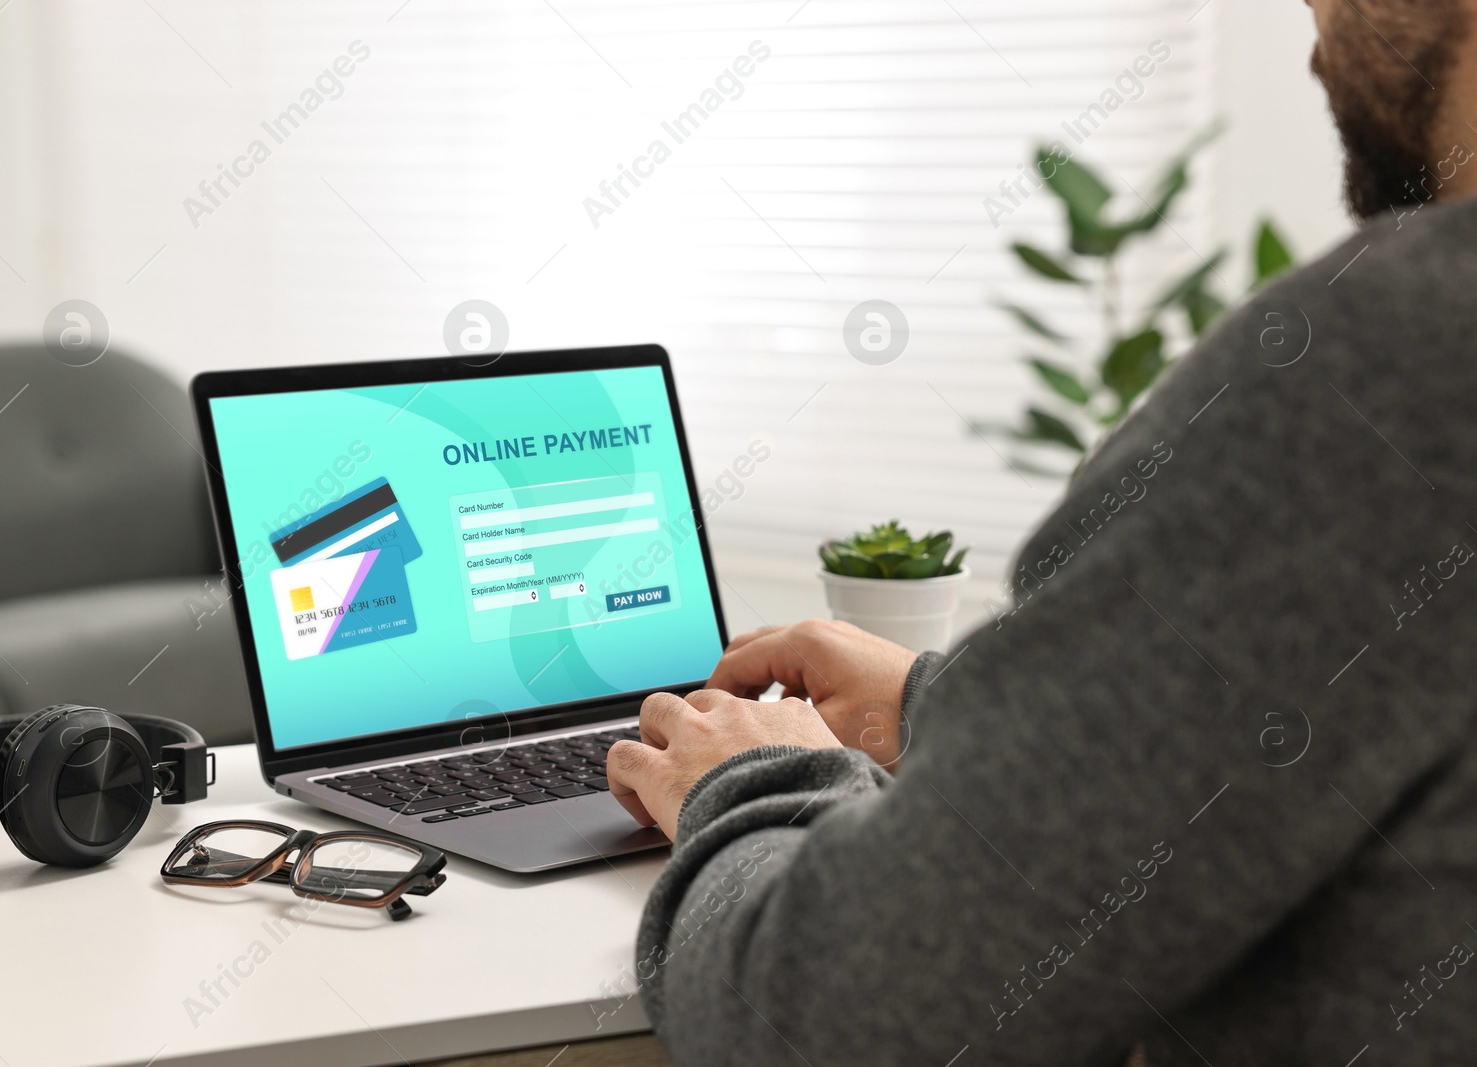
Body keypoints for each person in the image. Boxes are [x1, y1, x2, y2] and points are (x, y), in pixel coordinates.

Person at [604, 1, 1477, 1063]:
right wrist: (946, 705)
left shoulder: (1398, 363)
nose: (1312, 18)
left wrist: (743, 780)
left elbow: (834, 1018)